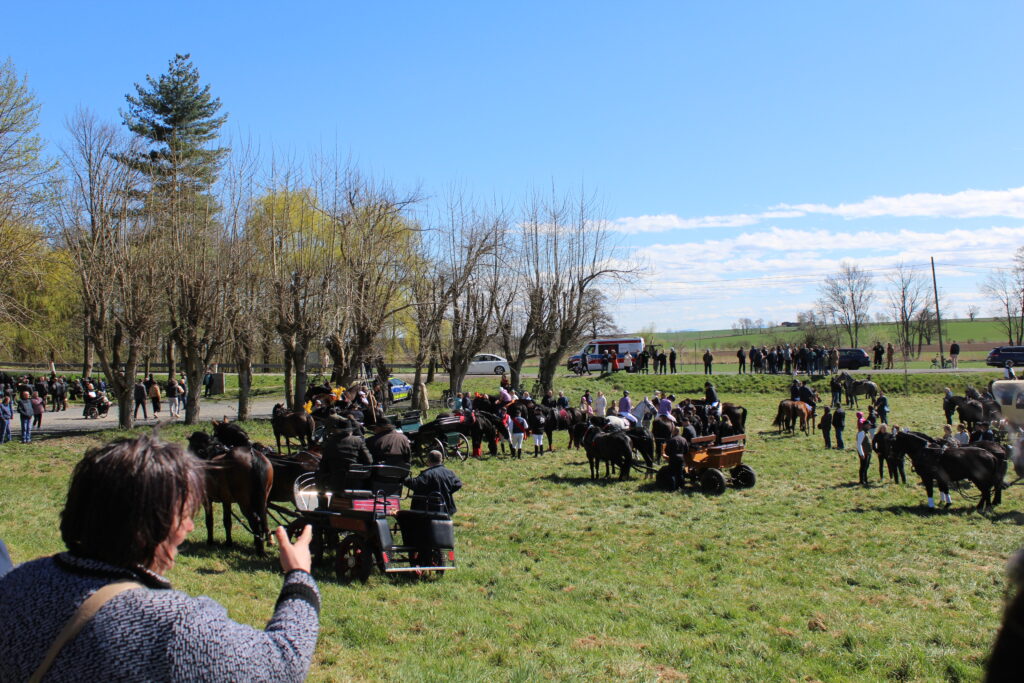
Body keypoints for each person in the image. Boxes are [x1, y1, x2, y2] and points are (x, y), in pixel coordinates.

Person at [0, 435, 319, 681]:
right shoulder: (176, 628)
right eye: (185, 514)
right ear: (157, 525)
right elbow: (283, 665)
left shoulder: (16, 584)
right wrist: (299, 578)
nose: (191, 526)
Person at [319, 420, 373, 493]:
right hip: (354, 478)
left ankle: (322, 500)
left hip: (335, 478)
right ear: (350, 431)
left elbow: (324, 462)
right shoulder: (358, 441)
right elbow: (369, 460)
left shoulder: (330, 441)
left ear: (337, 430)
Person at [405, 450, 463, 514]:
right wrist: (447, 492)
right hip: (445, 508)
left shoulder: (428, 474)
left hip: (428, 508)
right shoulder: (449, 473)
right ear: (441, 460)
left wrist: (404, 479)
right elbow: (458, 484)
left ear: (428, 460)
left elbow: (415, 484)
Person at [856, 421, 872, 486]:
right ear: (865, 425)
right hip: (864, 453)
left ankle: (865, 479)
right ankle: (861, 481)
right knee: (863, 467)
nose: (870, 426)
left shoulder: (867, 432)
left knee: (866, 466)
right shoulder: (862, 433)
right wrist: (862, 454)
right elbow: (859, 444)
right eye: (869, 425)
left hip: (868, 452)